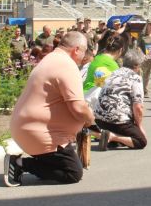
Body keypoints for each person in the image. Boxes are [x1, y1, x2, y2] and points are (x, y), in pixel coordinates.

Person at [5, 32, 94, 186]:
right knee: (73, 173)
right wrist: (91, 119)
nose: (84, 56)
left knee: (64, 165)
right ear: (76, 50)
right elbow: (78, 108)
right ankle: (19, 164)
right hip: (41, 134)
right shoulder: (66, 65)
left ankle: (39, 164)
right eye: (84, 52)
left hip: (28, 129)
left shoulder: (51, 59)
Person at [95, 49, 147, 151]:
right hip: (118, 120)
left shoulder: (113, 73)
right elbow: (138, 106)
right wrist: (140, 127)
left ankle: (112, 138)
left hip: (99, 119)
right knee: (141, 141)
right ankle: (112, 137)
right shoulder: (135, 78)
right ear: (136, 66)